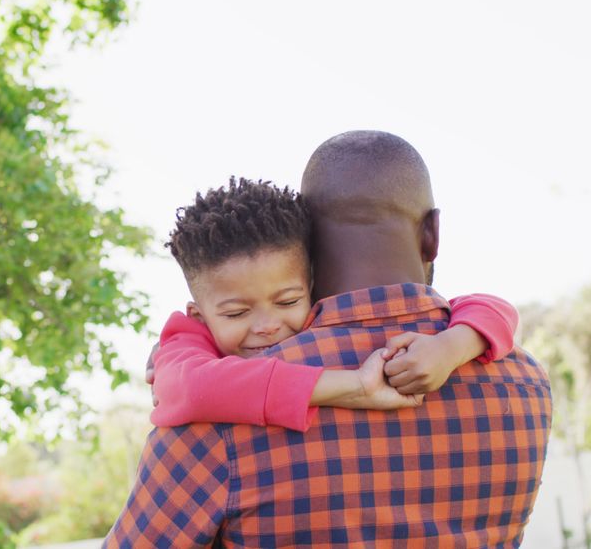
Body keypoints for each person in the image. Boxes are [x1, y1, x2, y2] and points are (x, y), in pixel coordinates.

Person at [104, 131, 552, 547]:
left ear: (306, 243)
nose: (263, 325)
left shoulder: (219, 410)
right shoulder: (525, 380)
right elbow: (492, 310)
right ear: (432, 233)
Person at [148, 178, 518, 431]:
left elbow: (494, 307)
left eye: (288, 301)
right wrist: (353, 386)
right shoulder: (187, 341)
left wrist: (450, 348)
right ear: (200, 316)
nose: (266, 325)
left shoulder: (326, 318)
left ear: (313, 286)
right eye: (236, 313)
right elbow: (188, 388)